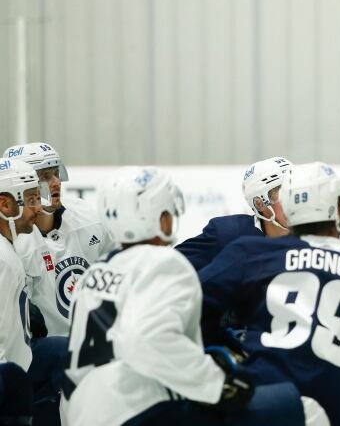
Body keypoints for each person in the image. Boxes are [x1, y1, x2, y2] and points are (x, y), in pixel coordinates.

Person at [62, 166, 283, 426]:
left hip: (78, 412)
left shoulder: (93, 274)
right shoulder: (165, 263)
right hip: (137, 408)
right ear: (160, 218)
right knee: (284, 403)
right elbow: (147, 338)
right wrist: (218, 384)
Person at [199, 162, 340, 426]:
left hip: (262, 402)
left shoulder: (252, 253)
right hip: (335, 410)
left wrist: (225, 348)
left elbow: (191, 303)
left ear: (288, 207)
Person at [3, 142, 117, 338]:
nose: (56, 182)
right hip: (43, 351)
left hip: (94, 341)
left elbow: (120, 265)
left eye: (56, 173)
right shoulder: (11, 241)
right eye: (45, 176)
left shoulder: (87, 217)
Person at [176, 157, 293, 271]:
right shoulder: (228, 233)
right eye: (283, 193)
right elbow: (171, 264)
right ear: (259, 203)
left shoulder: (309, 231)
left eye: (295, 190)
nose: (293, 200)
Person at [0, 159, 45, 425]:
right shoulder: (3, 259)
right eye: (30, 200)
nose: (38, 208)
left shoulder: (8, 250)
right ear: (5, 204)